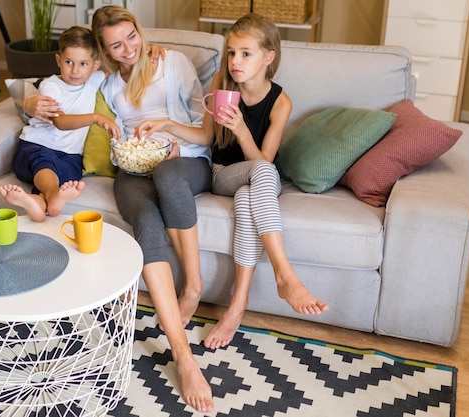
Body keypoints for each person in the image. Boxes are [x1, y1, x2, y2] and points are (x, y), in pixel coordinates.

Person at [135, 14, 329, 350]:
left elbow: (263, 159)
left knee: (247, 199)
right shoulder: (221, 85)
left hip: (256, 177)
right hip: (223, 174)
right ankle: (285, 275)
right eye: (231, 53)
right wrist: (166, 124)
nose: (235, 62)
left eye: (245, 54)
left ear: (268, 57)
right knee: (261, 175)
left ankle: (236, 306)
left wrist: (241, 129)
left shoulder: (281, 102)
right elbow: (206, 136)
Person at [91, 5, 215, 413]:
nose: (128, 49)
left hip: (184, 161)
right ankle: (183, 355)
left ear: (139, 31)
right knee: (144, 221)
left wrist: (169, 133)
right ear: (104, 50)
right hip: (133, 166)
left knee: (167, 176)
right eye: (116, 44)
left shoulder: (171, 62)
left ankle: (193, 286)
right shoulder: (107, 84)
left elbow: (205, 130)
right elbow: (66, 80)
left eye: (132, 36)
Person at [0, 26, 119, 222]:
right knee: (45, 163)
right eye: (69, 62)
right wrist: (96, 117)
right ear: (58, 60)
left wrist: (152, 49)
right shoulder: (52, 86)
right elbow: (60, 122)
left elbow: (120, 63)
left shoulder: (95, 78)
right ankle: (53, 194)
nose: (75, 70)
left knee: (71, 172)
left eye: (83, 63)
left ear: (95, 65)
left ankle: (38, 201)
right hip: (37, 146)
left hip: (70, 154)